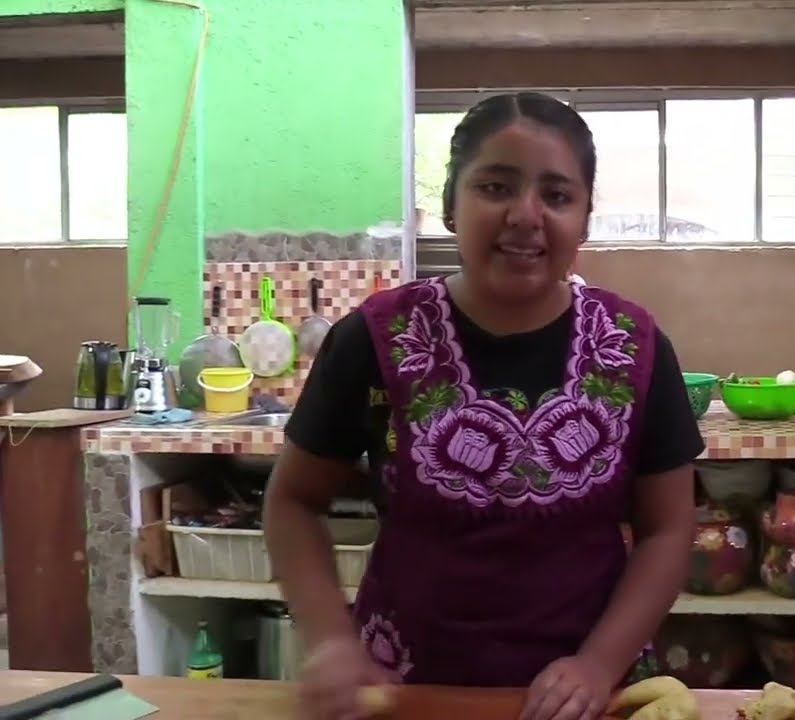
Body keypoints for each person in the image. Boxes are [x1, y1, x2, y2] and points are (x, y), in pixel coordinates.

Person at [264, 91, 703, 720]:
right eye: (496, 187)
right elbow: (292, 501)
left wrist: (599, 665)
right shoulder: (374, 337)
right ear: (450, 205)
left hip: (588, 696)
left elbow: (667, 530)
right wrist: (331, 639)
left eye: (557, 196)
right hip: (404, 689)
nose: (526, 215)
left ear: (583, 220)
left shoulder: (635, 346)